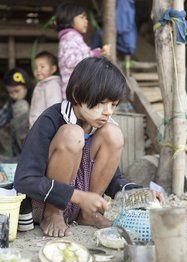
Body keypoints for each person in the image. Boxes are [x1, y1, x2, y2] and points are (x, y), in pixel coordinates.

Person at [14, 57, 164, 238]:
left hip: (82, 205)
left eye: (113, 104)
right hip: (44, 204)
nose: (108, 111)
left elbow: (113, 182)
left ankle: (89, 214)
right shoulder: (51, 119)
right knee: (72, 134)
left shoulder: (101, 126)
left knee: (114, 133)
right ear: (77, 95)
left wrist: (141, 193)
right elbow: (25, 180)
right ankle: (54, 214)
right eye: (102, 102)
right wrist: (79, 197)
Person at [55, 2, 110, 99]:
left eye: (86, 18)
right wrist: (93, 54)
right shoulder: (70, 37)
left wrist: (98, 53)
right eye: (82, 17)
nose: (86, 21)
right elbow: (71, 61)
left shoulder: (72, 37)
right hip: (75, 93)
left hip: (76, 92)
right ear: (69, 19)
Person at [0, 67, 34, 156]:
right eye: (10, 92)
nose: (14, 95)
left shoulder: (36, 96)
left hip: (31, 140)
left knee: (21, 105)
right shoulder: (11, 103)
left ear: (26, 85)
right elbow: (2, 117)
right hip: (14, 144)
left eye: (17, 91)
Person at [29, 51, 62, 128]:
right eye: (36, 67)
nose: (38, 70)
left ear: (53, 69)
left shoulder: (52, 85)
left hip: (44, 126)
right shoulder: (41, 85)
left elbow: (53, 107)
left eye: (42, 67)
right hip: (36, 126)